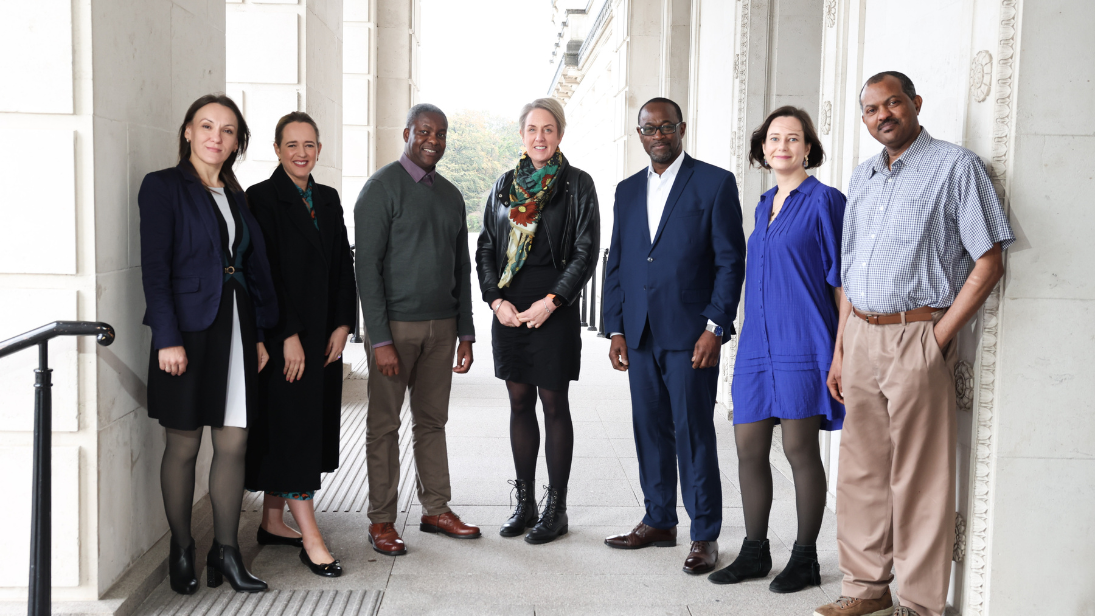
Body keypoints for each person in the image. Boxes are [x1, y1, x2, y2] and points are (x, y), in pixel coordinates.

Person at [814, 72, 1013, 616]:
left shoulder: (955, 167)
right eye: (872, 109)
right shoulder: (863, 177)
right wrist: (840, 349)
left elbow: (989, 260)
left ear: (915, 103)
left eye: (893, 103)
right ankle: (864, 587)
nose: (883, 115)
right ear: (864, 119)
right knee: (860, 470)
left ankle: (919, 603)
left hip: (916, 335)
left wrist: (937, 338)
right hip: (860, 335)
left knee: (920, 477)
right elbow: (849, 271)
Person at [601, 97, 747, 574]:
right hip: (639, 333)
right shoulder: (625, 191)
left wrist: (714, 325)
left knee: (694, 434)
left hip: (691, 335)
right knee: (649, 431)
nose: (658, 135)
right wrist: (616, 326)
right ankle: (659, 519)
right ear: (638, 134)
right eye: (648, 128)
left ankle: (704, 534)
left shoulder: (713, 182)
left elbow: (730, 261)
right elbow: (617, 262)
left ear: (681, 128)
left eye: (666, 127)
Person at [139, 94, 277, 594]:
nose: (216, 137)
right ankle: (182, 548)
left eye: (227, 130)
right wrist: (166, 338)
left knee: (234, 440)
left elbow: (251, 273)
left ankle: (226, 550)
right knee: (183, 443)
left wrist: (259, 335)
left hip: (237, 327)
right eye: (206, 126)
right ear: (187, 132)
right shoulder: (162, 187)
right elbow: (155, 271)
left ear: (237, 141)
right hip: (188, 331)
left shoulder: (237, 195)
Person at [706, 107, 847, 593]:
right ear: (762, 148)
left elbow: (841, 283)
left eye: (793, 138)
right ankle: (754, 551)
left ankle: (805, 558)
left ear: (808, 146)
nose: (782, 145)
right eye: (773, 138)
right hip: (755, 347)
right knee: (748, 448)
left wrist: (842, 349)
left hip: (805, 342)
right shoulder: (763, 202)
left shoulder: (826, 200)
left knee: (798, 448)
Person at [354, 103, 480, 556]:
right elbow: (366, 269)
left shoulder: (450, 195)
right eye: (425, 132)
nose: (433, 140)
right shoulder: (380, 189)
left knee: (432, 421)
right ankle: (382, 520)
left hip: (442, 329)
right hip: (395, 331)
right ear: (407, 132)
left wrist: (465, 331)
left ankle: (436, 509)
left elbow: (460, 268)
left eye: (441, 134)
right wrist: (380, 338)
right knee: (384, 425)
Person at [475, 98, 600, 544]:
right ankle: (525, 502)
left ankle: (557, 508)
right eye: (532, 129)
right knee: (519, 401)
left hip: (554, 306)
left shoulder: (578, 184)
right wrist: (495, 301)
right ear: (522, 135)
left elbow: (585, 251)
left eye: (548, 129)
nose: (540, 137)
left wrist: (553, 300)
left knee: (553, 403)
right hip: (510, 308)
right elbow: (487, 246)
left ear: (560, 135)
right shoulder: (504, 185)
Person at [243, 112, 356, 578]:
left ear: (319, 149)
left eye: (309, 144)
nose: (301, 153)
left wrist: (344, 324)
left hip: (323, 335)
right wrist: (284, 333)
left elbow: (341, 268)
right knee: (293, 432)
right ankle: (311, 536)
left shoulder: (327, 199)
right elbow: (261, 272)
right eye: (292, 145)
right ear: (276, 149)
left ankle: (273, 520)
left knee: (304, 425)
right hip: (284, 336)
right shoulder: (261, 199)